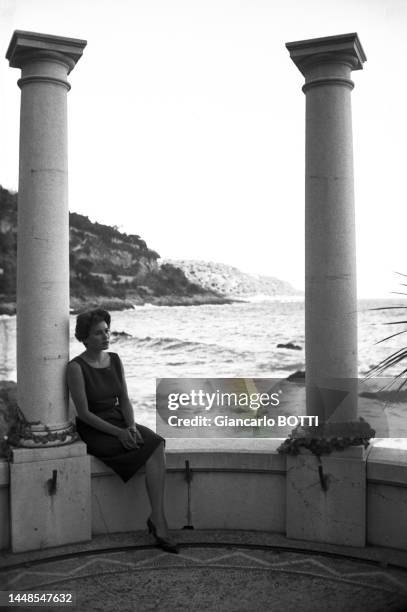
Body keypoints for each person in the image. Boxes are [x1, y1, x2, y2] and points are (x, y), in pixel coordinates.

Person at [67, 308, 178, 554]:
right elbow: (83, 413)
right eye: (98, 333)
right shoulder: (75, 368)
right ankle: (159, 526)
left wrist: (130, 427)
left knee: (156, 444)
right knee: (142, 448)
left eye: (107, 331)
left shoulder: (115, 359)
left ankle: (157, 518)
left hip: (119, 420)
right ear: (85, 338)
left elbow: (124, 399)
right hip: (95, 428)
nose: (105, 336)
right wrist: (119, 434)